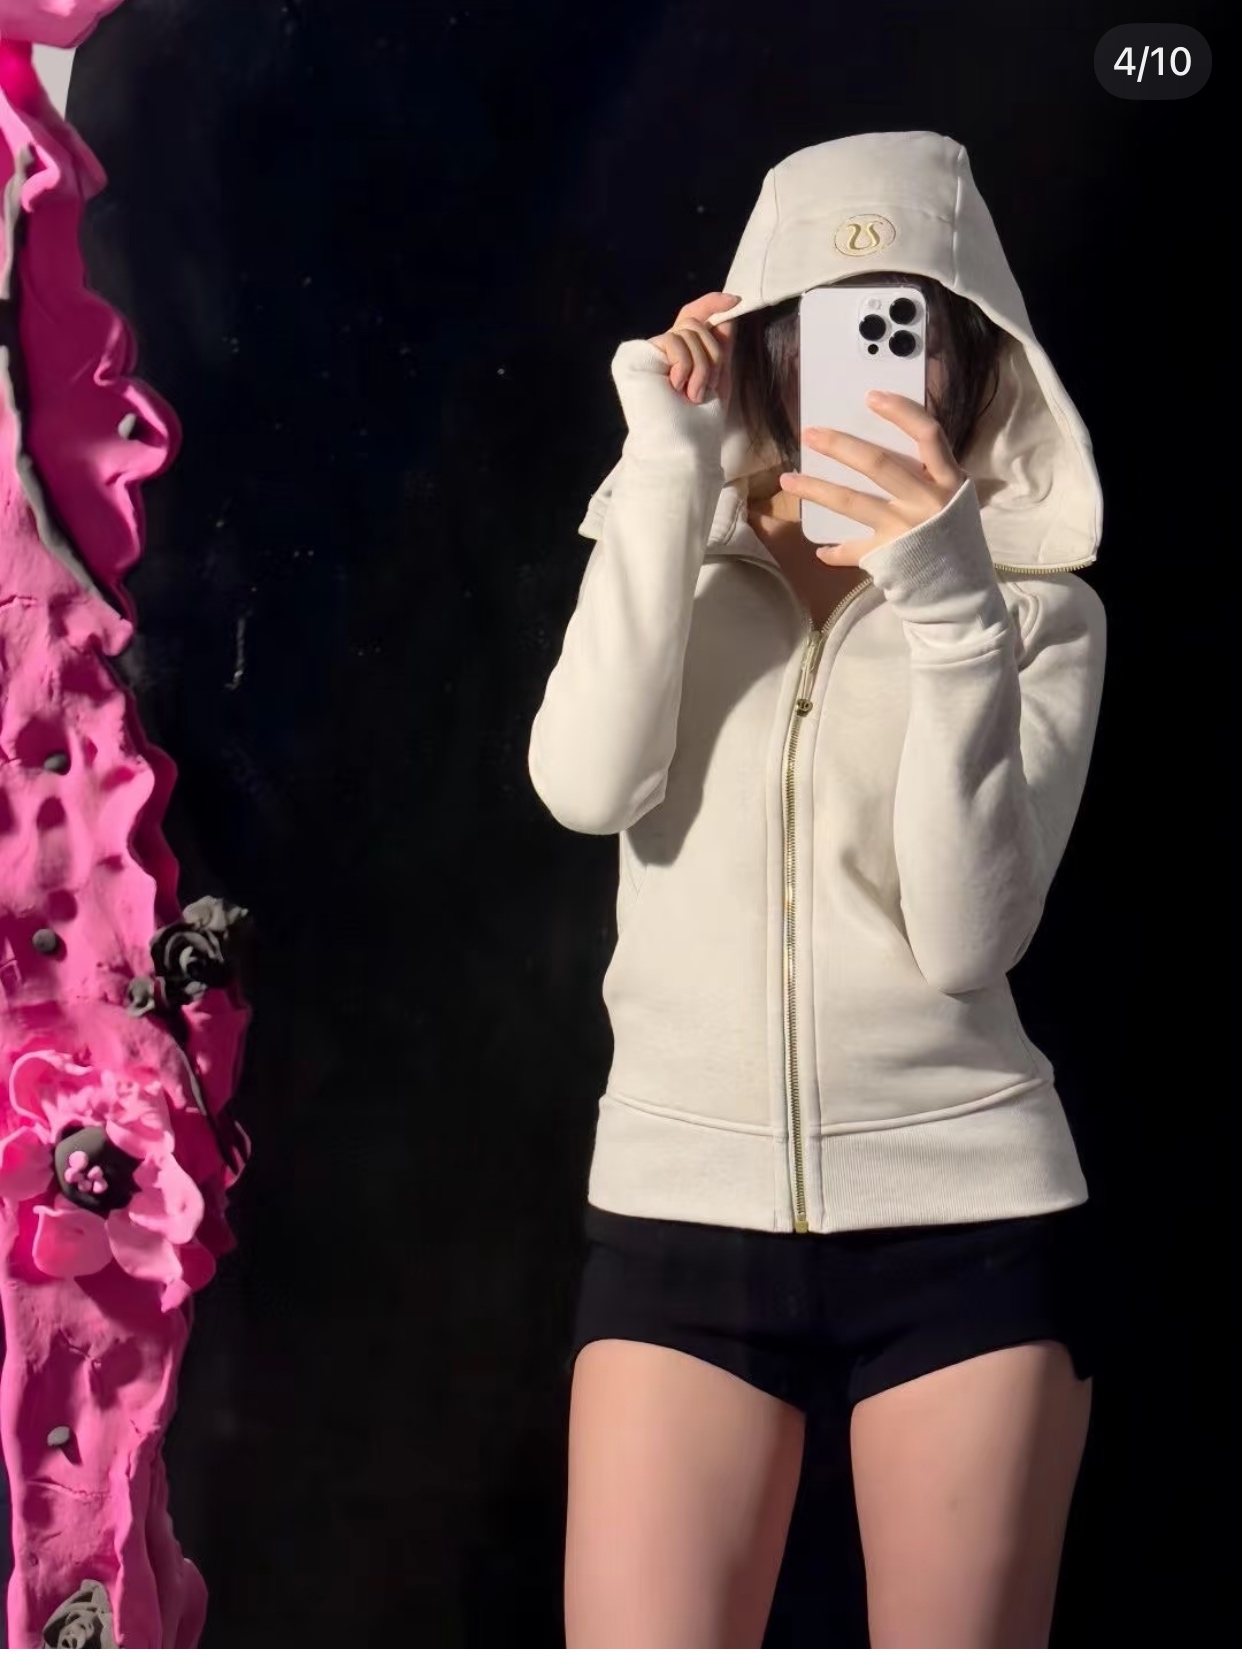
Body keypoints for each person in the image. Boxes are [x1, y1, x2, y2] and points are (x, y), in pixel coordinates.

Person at [529, 130, 1106, 1649]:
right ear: (767, 339)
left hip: (968, 1223)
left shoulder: (1037, 613)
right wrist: (665, 474)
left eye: (914, 327)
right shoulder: (672, 545)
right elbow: (585, 786)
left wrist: (951, 608)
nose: (881, 368)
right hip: (676, 1213)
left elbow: (967, 939)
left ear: (980, 353)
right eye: (830, 325)